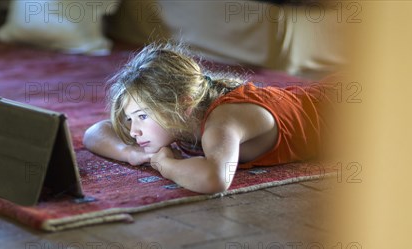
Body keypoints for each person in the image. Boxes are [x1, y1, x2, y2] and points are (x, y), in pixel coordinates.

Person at [83, 43, 333, 194]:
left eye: (143, 116)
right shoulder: (179, 118)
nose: (134, 131)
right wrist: (129, 153)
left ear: (185, 105)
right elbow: (95, 132)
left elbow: (215, 178)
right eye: (130, 119)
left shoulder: (223, 121)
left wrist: (164, 165)